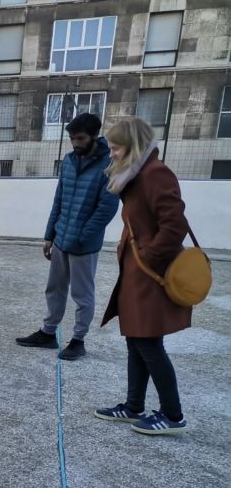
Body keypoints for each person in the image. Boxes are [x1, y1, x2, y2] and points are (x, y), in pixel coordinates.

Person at [95, 117, 190, 435]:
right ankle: (133, 406)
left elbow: (174, 225)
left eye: (116, 147)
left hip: (150, 274)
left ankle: (173, 415)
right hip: (137, 273)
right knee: (136, 341)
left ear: (133, 146)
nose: (112, 154)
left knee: (149, 343)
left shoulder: (155, 174)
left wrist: (148, 257)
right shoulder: (135, 175)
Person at [16, 113, 119, 360]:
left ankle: (78, 340)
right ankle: (48, 333)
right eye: (72, 138)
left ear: (94, 135)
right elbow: (59, 199)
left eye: (80, 138)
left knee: (83, 295)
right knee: (55, 289)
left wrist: (83, 236)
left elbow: (107, 208)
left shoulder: (110, 164)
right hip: (61, 239)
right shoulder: (69, 161)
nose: (75, 143)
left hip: (84, 245)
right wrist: (49, 234)